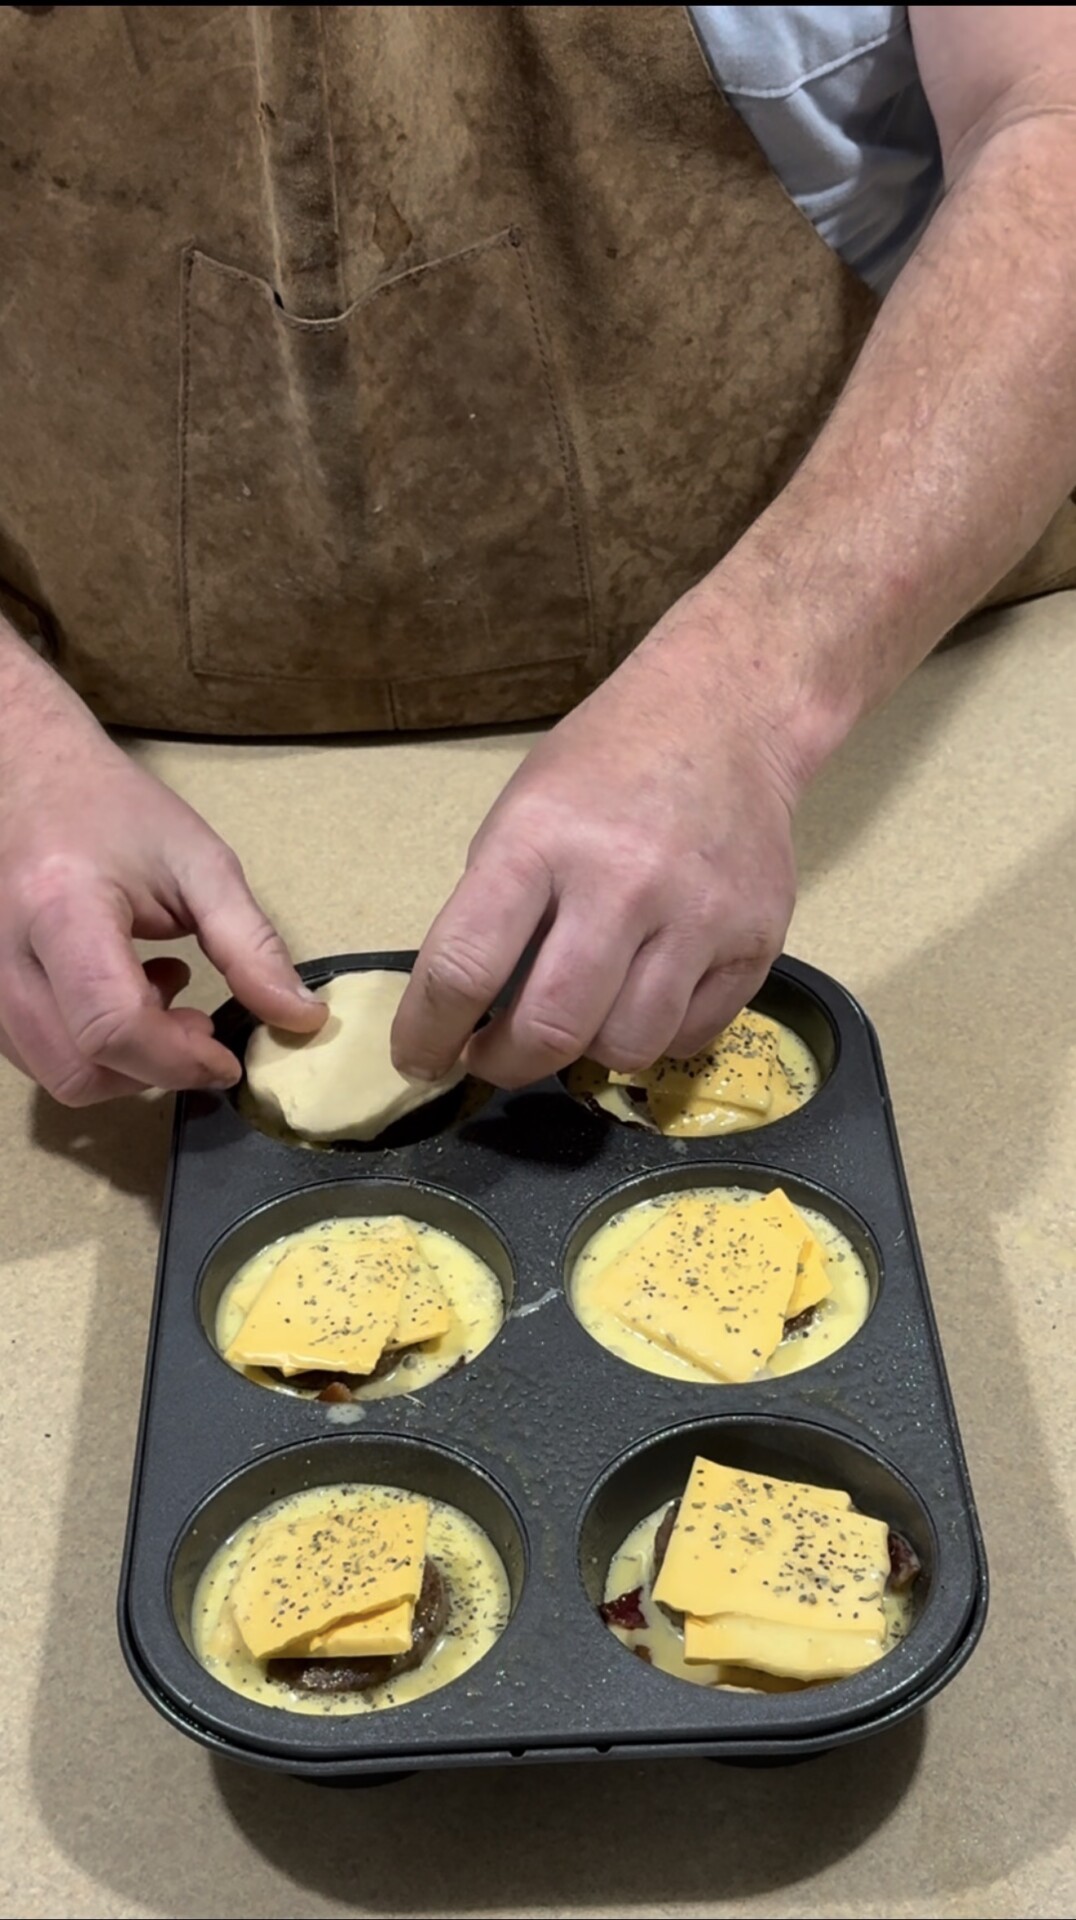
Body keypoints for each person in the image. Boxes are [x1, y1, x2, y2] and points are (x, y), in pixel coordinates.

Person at [1, 4, 1074, 1107]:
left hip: (864, 705)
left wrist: (749, 702)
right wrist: (14, 750)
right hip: (101, 792)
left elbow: (1050, 117)